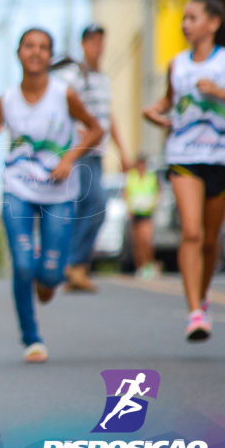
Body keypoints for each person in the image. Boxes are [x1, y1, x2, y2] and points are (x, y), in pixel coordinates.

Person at [0, 28, 103, 363]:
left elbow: (96, 129)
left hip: (59, 191)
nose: (36, 52)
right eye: (29, 46)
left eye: (43, 48)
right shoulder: (6, 99)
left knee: (49, 275)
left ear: (50, 56)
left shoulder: (64, 94)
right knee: (22, 264)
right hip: (18, 187)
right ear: (18, 53)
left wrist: (70, 158)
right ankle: (31, 338)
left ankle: (47, 279)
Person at [143, 0, 225, 342]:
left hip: (223, 156)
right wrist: (153, 113)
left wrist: (220, 93)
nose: (185, 24)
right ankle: (195, 311)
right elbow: (169, 101)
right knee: (191, 232)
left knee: (210, 242)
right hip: (184, 155)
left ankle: (203, 295)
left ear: (213, 24)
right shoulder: (176, 64)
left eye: (192, 18)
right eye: (183, 19)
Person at [51, 23, 132, 293]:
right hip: (80, 152)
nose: (98, 48)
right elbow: (60, 102)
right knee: (95, 203)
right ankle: (72, 263)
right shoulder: (75, 74)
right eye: (93, 42)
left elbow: (108, 118)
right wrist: (78, 129)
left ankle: (76, 267)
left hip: (98, 153)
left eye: (101, 42)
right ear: (84, 44)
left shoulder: (102, 78)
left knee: (89, 208)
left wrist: (122, 149)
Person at [125, 153, 159, 280]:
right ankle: (140, 267)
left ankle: (149, 265)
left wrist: (154, 204)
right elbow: (126, 193)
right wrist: (128, 208)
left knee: (146, 241)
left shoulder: (151, 177)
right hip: (135, 212)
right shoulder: (132, 176)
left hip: (147, 213)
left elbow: (158, 192)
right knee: (137, 243)